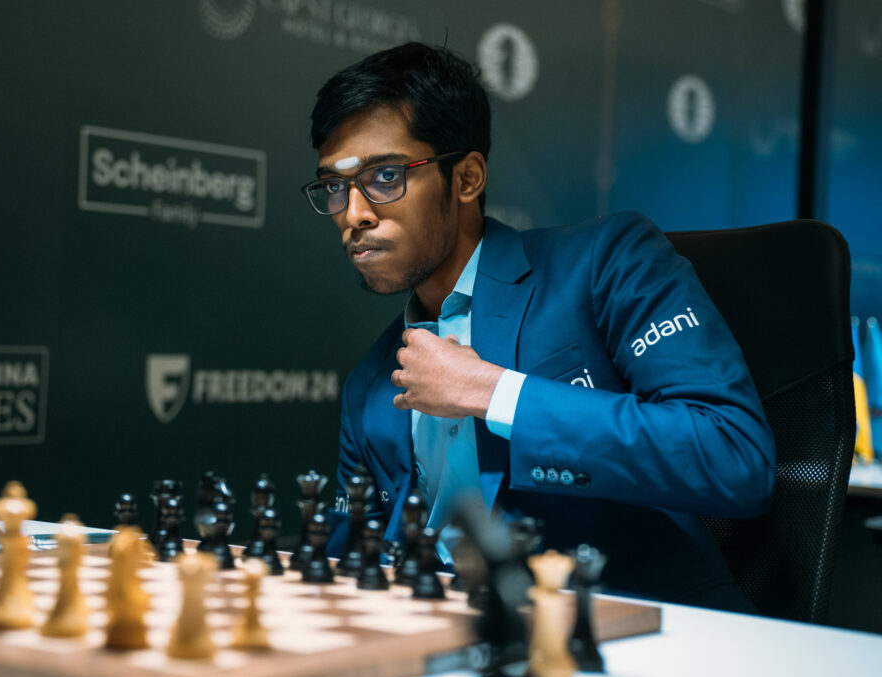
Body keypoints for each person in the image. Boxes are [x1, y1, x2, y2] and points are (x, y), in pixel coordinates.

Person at [302, 42, 776, 611]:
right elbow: (348, 572)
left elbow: (734, 455)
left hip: (635, 634)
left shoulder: (606, 262)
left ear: (467, 177)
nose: (354, 214)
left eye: (385, 176)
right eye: (336, 187)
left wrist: (495, 393)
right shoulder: (370, 385)